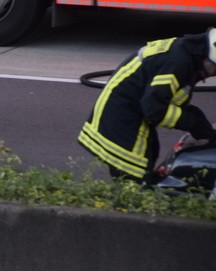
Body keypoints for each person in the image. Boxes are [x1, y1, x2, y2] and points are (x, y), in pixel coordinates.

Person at [78, 29, 216, 181]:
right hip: (122, 120)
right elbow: (154, 109)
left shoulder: (188, 54)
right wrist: (192, 122)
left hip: (131, 112)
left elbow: (164, 98)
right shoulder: (178, 63)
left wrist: (197, 119)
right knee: (135, 179)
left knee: (151, 153)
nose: (212, 75)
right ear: (208, 57)